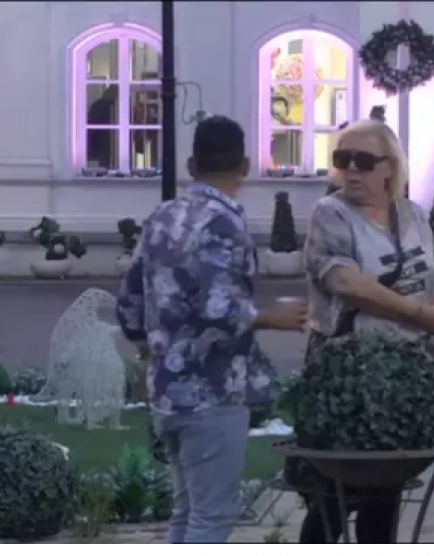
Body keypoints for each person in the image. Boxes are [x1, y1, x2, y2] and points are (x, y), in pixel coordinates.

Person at [290, 118, 434, 543]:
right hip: (346, 371)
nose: (351, 169)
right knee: (335, 496)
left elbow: (429, 292)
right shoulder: (330, 213)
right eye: (343, 159)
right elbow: (346, 283)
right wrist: (418, 316)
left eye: (363, 160)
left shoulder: (414, 216)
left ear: (390, 167)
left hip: (401, 375)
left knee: (384, 495)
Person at [115, 115, 308, 543]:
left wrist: (149, 349)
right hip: (212, 392)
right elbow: (219, 308)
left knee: (187, 512)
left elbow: (128, 301)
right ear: (245, 166)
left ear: (190, 165)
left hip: (166, 391)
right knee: (211, 518)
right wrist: (272, 317)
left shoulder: (162, 217)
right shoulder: (224, 223)